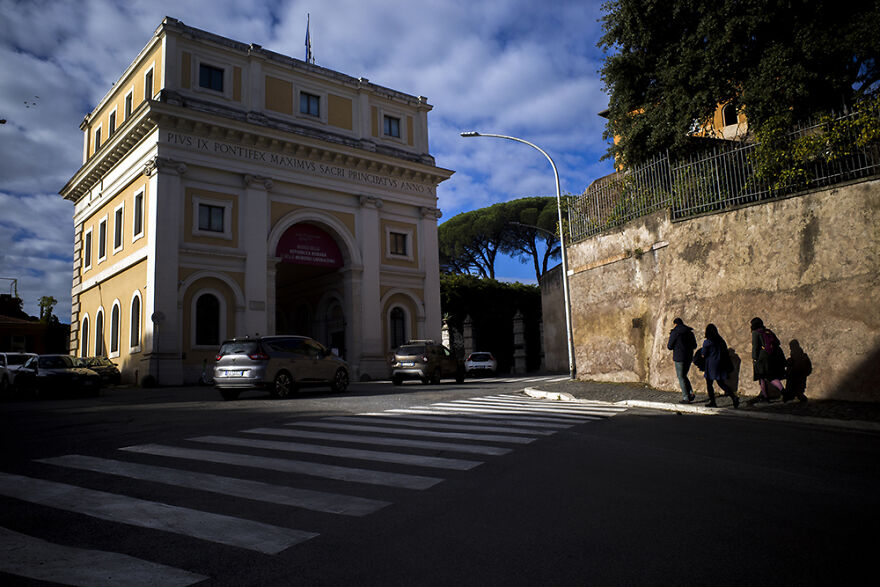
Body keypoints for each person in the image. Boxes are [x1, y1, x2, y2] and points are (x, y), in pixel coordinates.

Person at [699, 323, 739, 408]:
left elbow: (703, 354)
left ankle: (712, 401)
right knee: (721, 383)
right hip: (720, 364)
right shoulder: (721, 341)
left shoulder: (707, 342)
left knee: (709, 384)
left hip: (711, 365)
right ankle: (734, 397)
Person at [749, 317, 787, 403]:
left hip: (761, 358)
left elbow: (755, 347)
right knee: (771, 376)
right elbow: (777, 342)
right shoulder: (767, 331)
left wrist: (754, 358)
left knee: (761, 377)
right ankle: (783, 390)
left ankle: (766, 397)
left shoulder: (755, 333)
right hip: (771, 357)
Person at [667, 317, 698, 403]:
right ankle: (691, 393)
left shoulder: (675, 332)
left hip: (679, 357)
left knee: (681, 376)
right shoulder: (689, 332)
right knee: (684, 375)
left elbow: (669, 346)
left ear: (675, 324)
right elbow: (694, 345)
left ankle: (686, 397)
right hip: (688, 357)